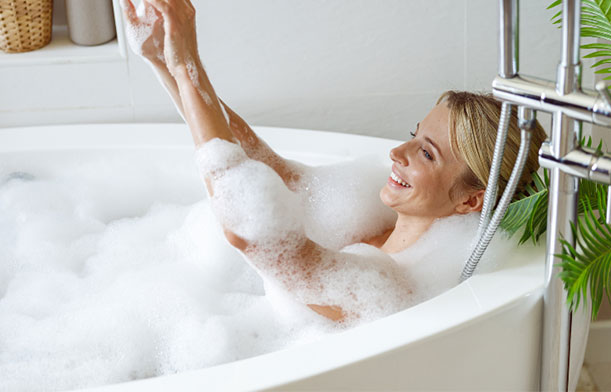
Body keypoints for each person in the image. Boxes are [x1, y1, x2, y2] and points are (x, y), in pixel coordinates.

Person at [120, 0, 546, 322]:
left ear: (472, 201)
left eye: (426, 153)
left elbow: (250, 233)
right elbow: (261, 158)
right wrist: (163, 60)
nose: (397, 153)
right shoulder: (370, 219)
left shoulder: (393, 288)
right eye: (413, 136)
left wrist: (187, 63)